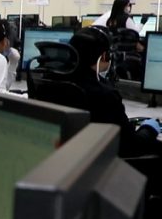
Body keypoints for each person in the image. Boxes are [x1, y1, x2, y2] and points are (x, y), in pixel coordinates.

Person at [66, 27, 161, 158]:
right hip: (102, 163)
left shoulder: (56, 81)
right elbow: (132, 146)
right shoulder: (104, 95)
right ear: (104, 56)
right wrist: (149, 129)